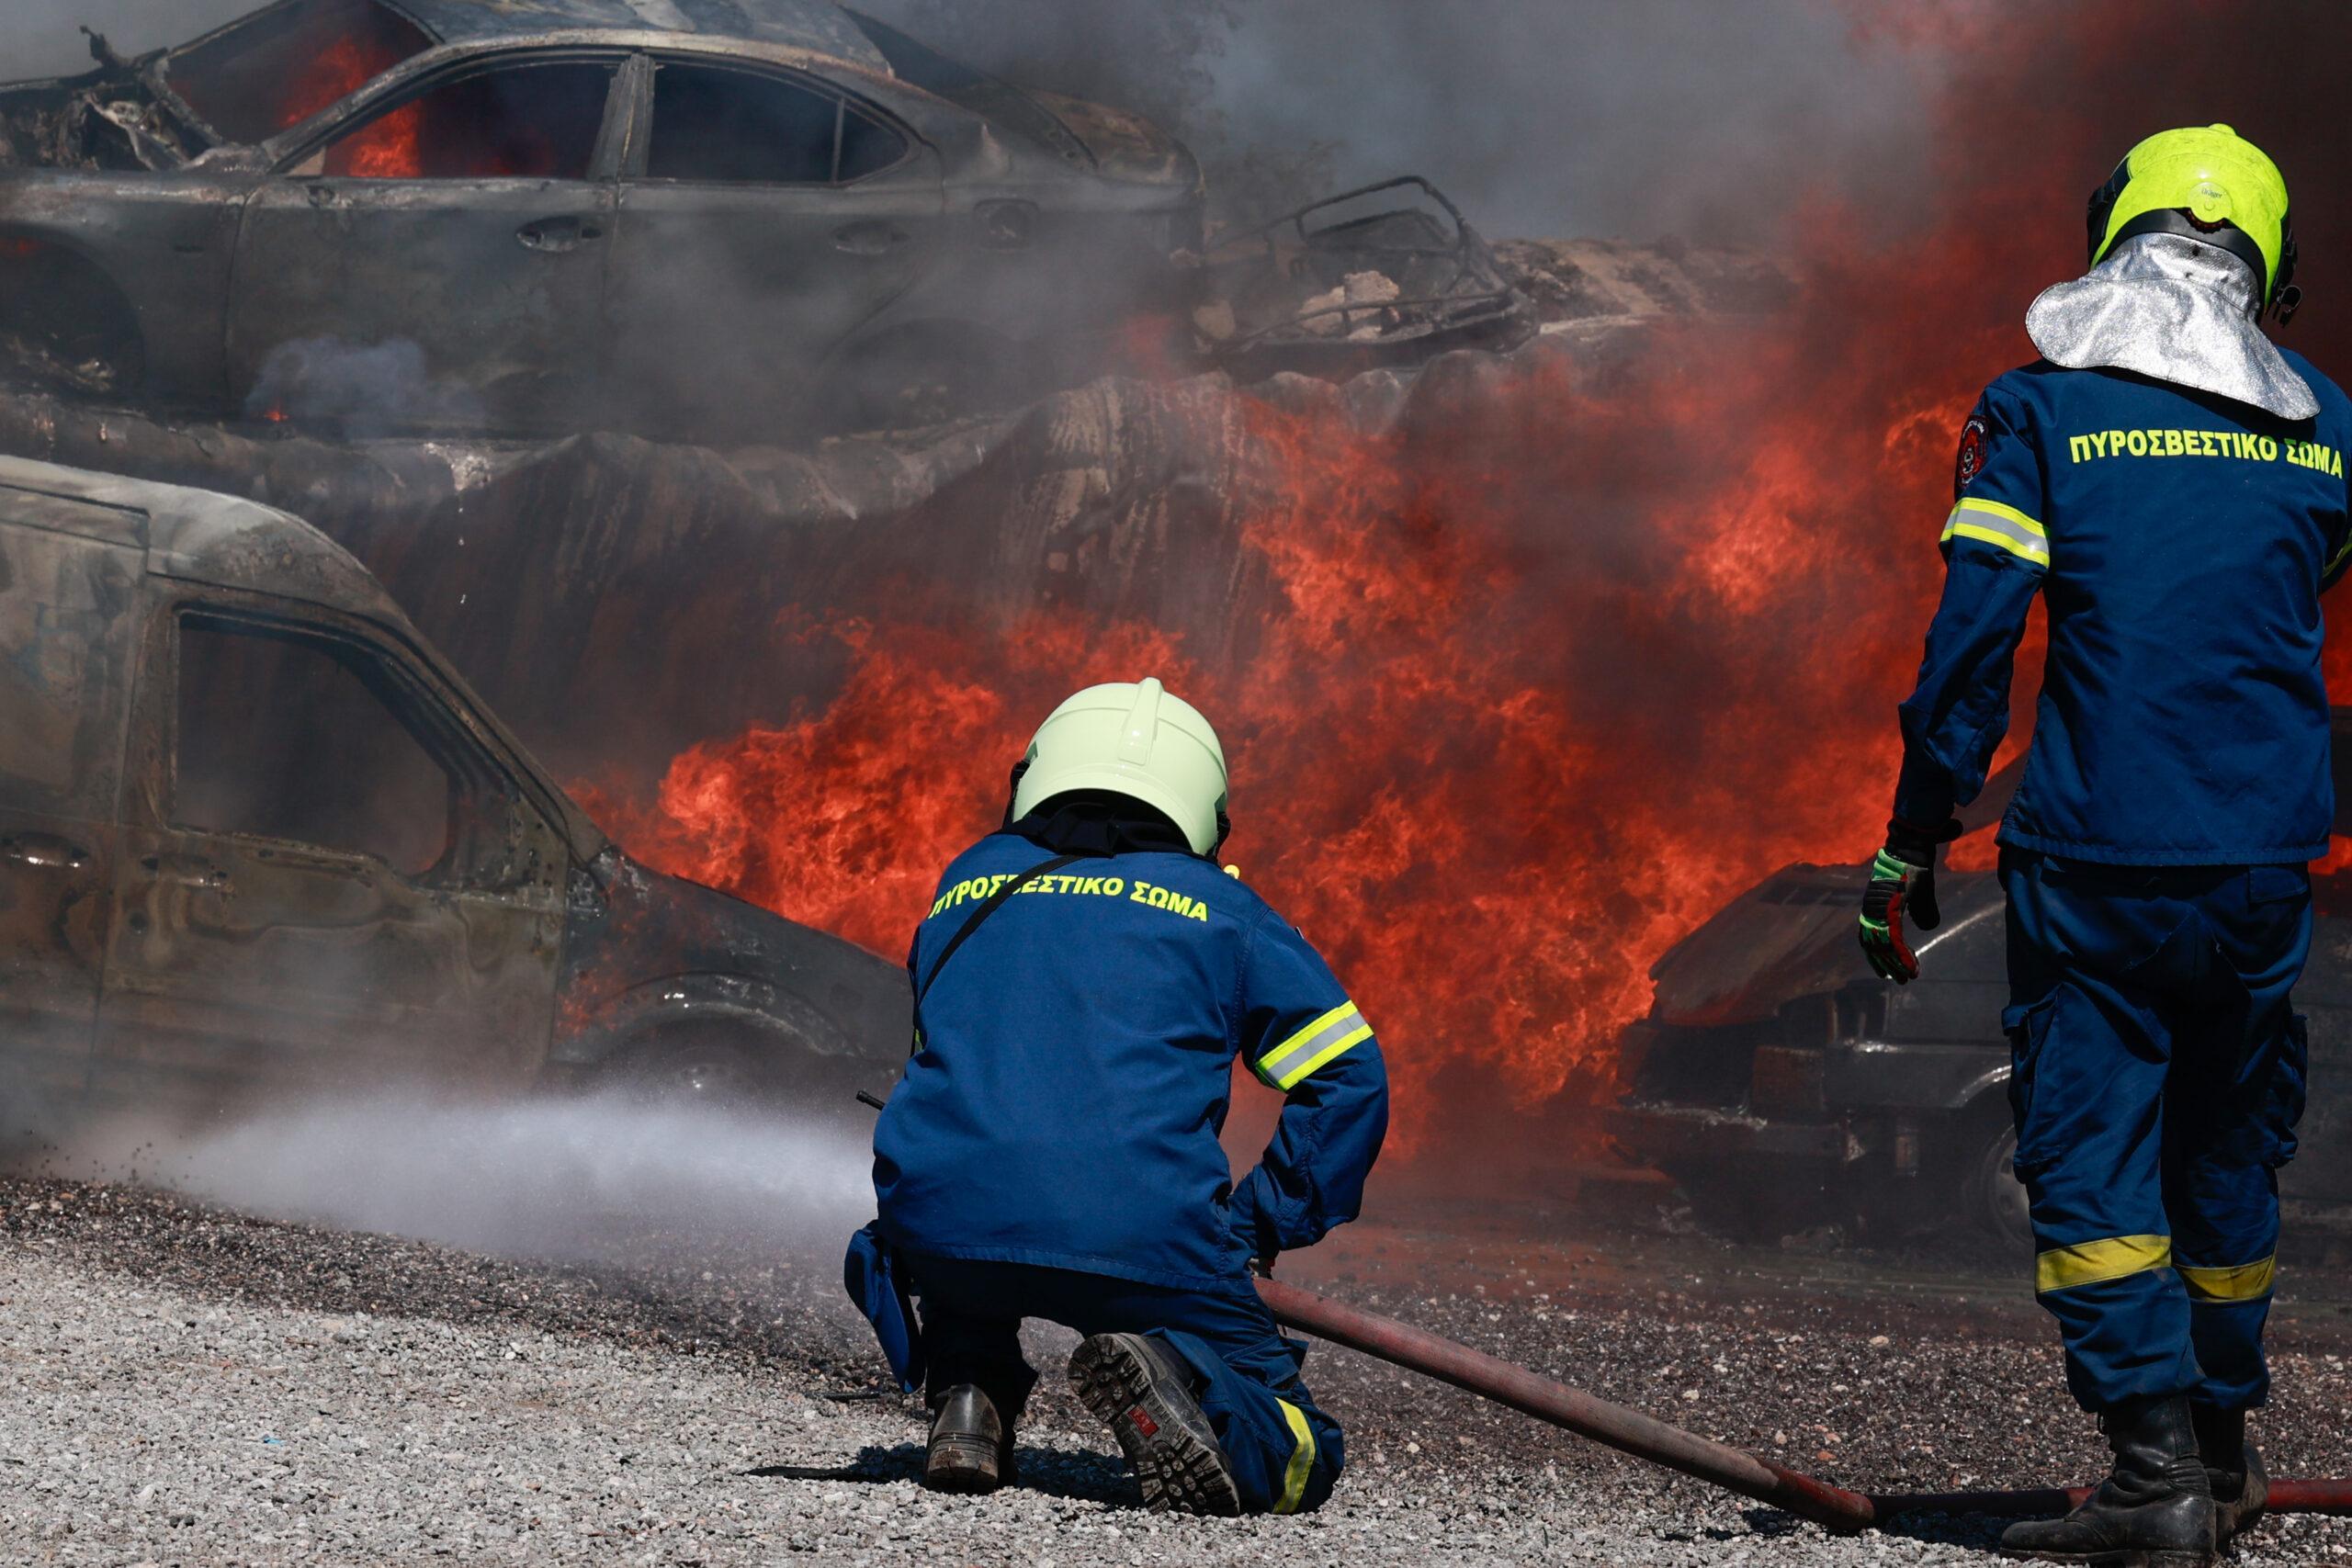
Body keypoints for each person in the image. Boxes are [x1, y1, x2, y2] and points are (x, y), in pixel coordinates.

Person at [1859, 125, 2348, 1565]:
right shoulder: (2323, 423)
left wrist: (1909, 839)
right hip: (2265, 865)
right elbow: (2279, 585)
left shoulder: (2038, 414)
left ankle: (2150, 1474)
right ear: (2271, 267)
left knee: (2090, 1156)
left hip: (2098, 862)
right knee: (2227, 1158)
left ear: (2108, 235)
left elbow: (1972, 649)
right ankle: (2222, 1446)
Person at [844, 677, 1388, 1516]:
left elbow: (936, 1062)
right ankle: (1187, 1384)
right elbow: (1348, 1077)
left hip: (945, 1233)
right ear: (1203, 809)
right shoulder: (1223, 911)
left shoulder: (967, 881)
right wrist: (1256, 1226)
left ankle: (968, 1393)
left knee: (968, 1230)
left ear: (1038, 772)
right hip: (1144, 1245)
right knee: (1304, 1450)